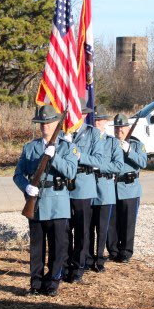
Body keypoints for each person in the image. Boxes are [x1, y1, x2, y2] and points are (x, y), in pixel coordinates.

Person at [13, 105, 77, 297]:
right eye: (42, 123)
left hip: (58, 203)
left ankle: (53, 283)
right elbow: (17, 174)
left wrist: (54, 155)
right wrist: (26, 186)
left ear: (57, 123)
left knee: (58, 247)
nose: (45, 127)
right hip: (37, 203)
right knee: (36, 248)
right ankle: (36, 283)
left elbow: (71, 172)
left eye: (48, 123)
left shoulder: (67, 148)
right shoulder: (30, 147)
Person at [62, 99, 104, 283]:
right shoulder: (62, 133)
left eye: (79, 114)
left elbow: (98, 160)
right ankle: (63, 266)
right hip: (63, 186)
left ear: (85, 115)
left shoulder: (94, 134)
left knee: (82, 229)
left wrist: (78, 154)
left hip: (83, 186)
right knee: (64, 230)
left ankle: (79, 267)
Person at [85, 105, 124, 272]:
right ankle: (86, 259)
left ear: (106, 122)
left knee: (102, 229)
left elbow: (118, 165)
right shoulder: (85, 141)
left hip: (105, 189)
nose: (97, 123)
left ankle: (99, 260)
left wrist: (99, 166)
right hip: (87, 188)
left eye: (100, 120)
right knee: (87, 228)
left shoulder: (112, 142)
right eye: (95, 120)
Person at [112, 113, 148, 263]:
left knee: (128, 222)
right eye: (117, 128)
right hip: (113, 187)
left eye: (122, 128)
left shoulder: (137, 145)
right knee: (113, 222)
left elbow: (143, 162)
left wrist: (129, 151)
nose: (119, 131)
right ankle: (113, 250)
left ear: (127, 128)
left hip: (129, 187)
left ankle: (126, 251)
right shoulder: (111, 143)